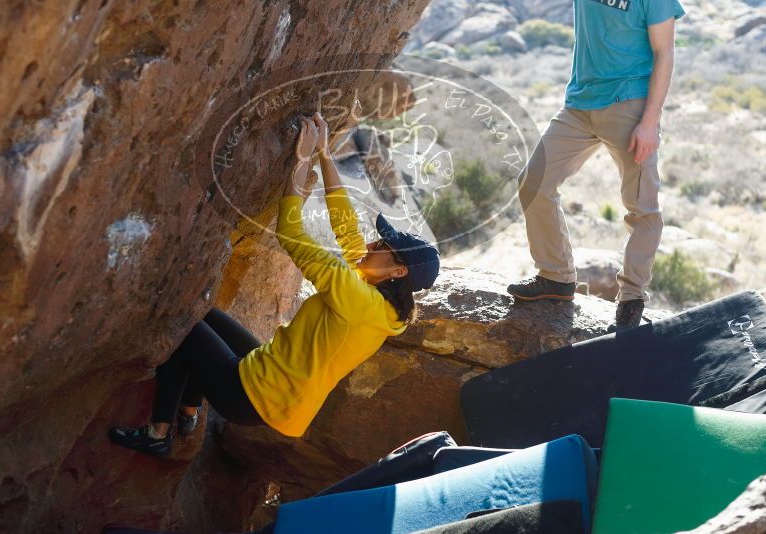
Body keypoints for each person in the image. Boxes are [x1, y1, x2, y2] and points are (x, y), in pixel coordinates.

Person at [109, 113, 441, 457]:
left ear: (398, 271)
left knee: (183, 323)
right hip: (275, 388)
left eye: (383, 246)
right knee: (204, 315)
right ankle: (189, 411)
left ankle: (158, 433)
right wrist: (324, 154)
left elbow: (291, 232)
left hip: (252, 397)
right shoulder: (382, 300)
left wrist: (300, 161)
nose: (372, 245)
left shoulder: (358, 301)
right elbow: (348, 230)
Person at [508, 0, 686, 331]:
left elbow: (665, 54)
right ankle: (556, 278)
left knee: (642, 207)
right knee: (533, 182)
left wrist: (650, 121)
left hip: (629, 103)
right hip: (579, 105)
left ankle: (632, 299)